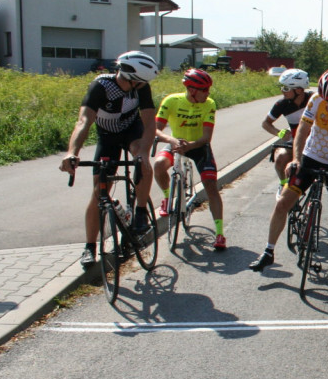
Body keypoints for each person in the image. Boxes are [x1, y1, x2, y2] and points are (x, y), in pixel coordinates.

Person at [248, 66, 328, 280]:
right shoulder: (316, 100)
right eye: (325, 98)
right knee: (283, 202)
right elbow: (302, 130)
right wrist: (296, 159)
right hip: (310, 157)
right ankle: (268, 251)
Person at [60, 50, 160, 268]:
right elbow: (83, 121)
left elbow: (150, 123)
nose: (144, 86)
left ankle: (140, 212)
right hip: (108, 137)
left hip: (132, 132)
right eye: (142, 83)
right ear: (133, 80)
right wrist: (72, 153)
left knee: (143, 164)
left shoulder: (142, 88)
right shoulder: (101, 87)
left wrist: (143, 150)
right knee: (99, 192)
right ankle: (89, 247)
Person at [153, 68, 227, 251]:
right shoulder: (171, 101)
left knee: (211, 185)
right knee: (159, 165)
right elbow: (155, 129)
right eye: (205, 90)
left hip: (198, 146)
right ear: (192, 90)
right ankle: (167, 197)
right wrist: (171, 140)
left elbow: (206, 138)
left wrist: (189, 146)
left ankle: (219, 233)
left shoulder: (209, 103)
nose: (208, 93)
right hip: (175, 142)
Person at [262, 68, 313, 196]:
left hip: (313, 142)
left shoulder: (313, 100)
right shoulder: (282, 104)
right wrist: (279, 133)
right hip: (295, 140)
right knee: (280, 157)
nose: (282, 91)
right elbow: (266, 123)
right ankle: (283, 183)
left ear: (299, 90)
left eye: (286, 88)